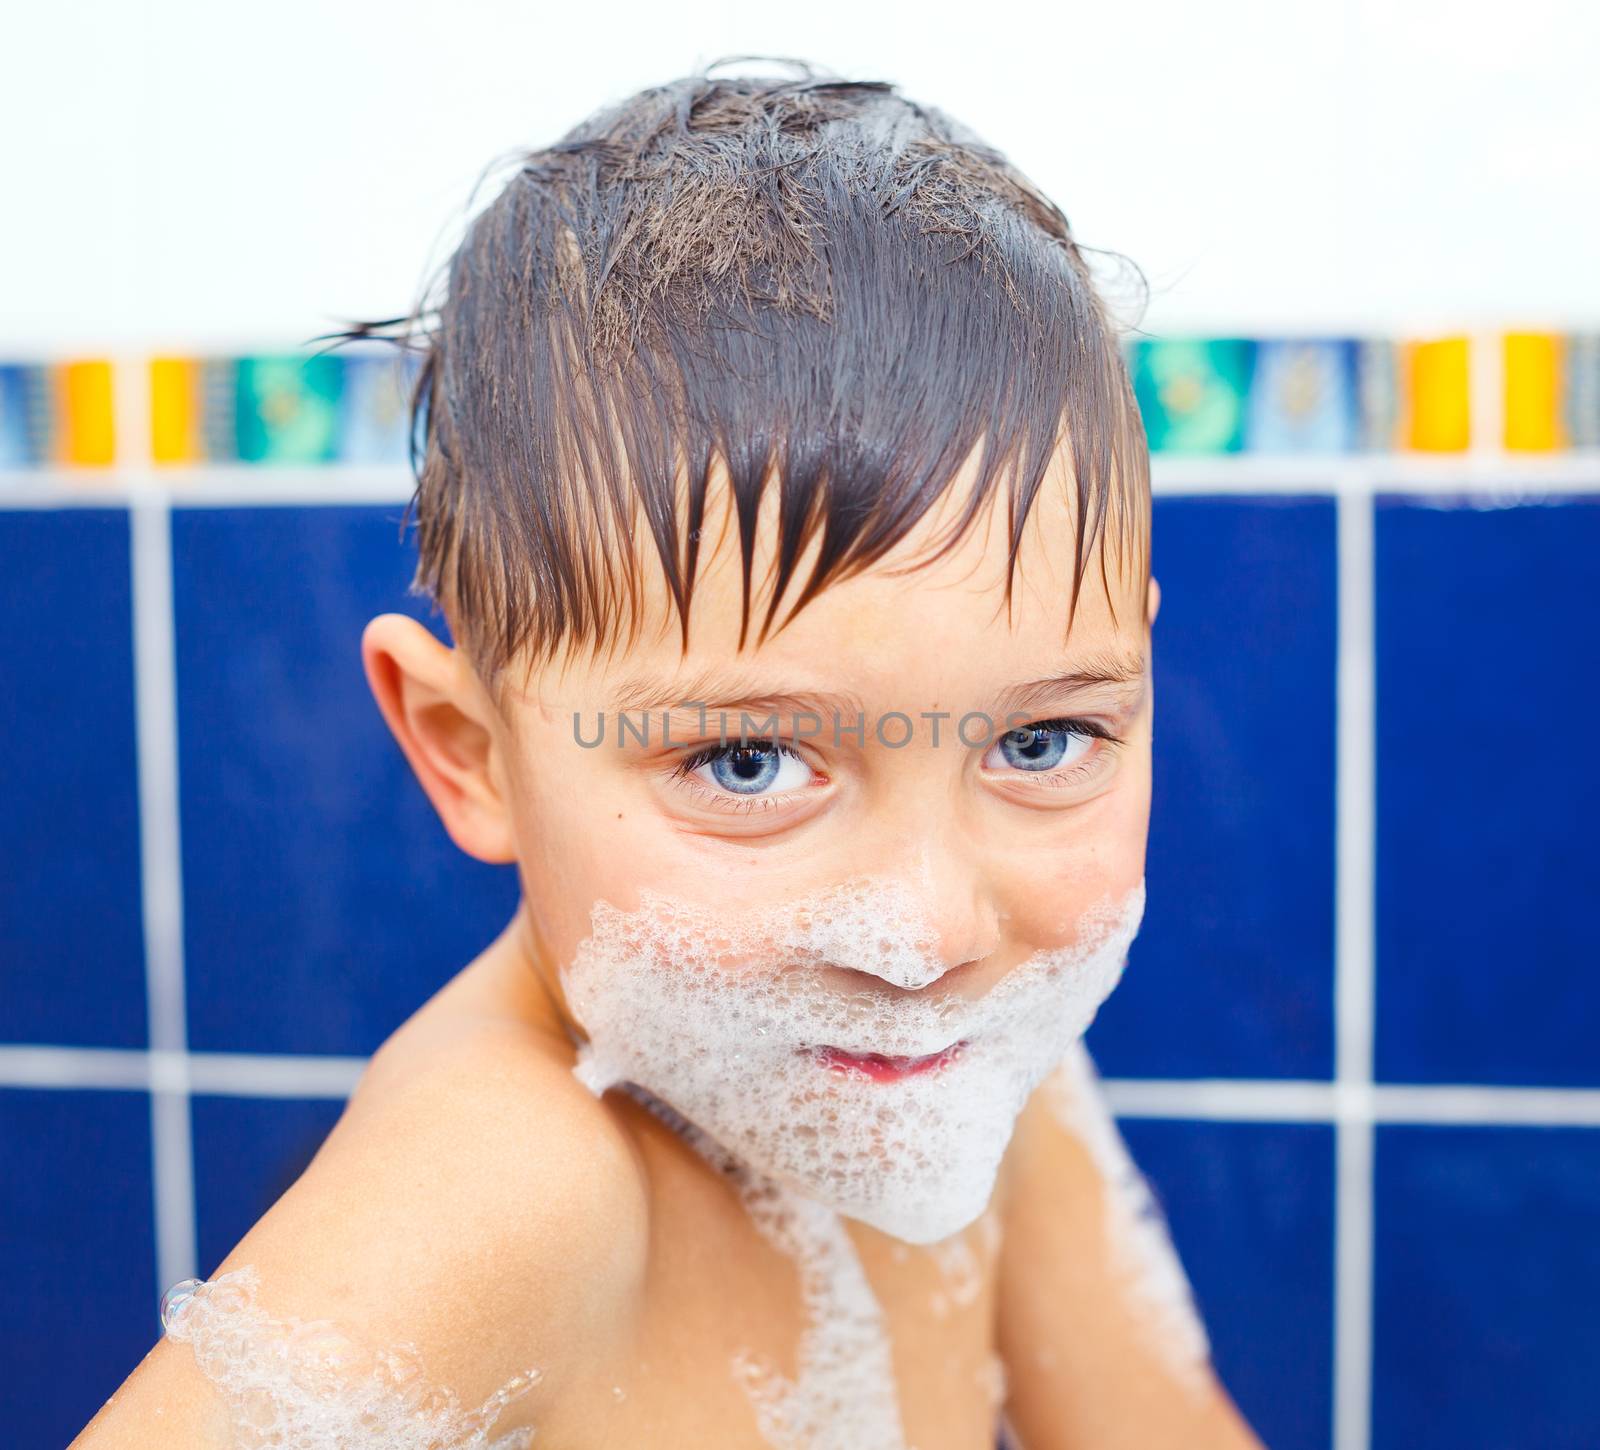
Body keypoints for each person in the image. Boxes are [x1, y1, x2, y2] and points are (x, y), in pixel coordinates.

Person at [73, 57, 1263, 1449]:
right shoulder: (508, 1185)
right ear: (468, 750)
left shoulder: (982, 1064)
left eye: (1042, 738)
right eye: (750, 763)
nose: (926, 930)